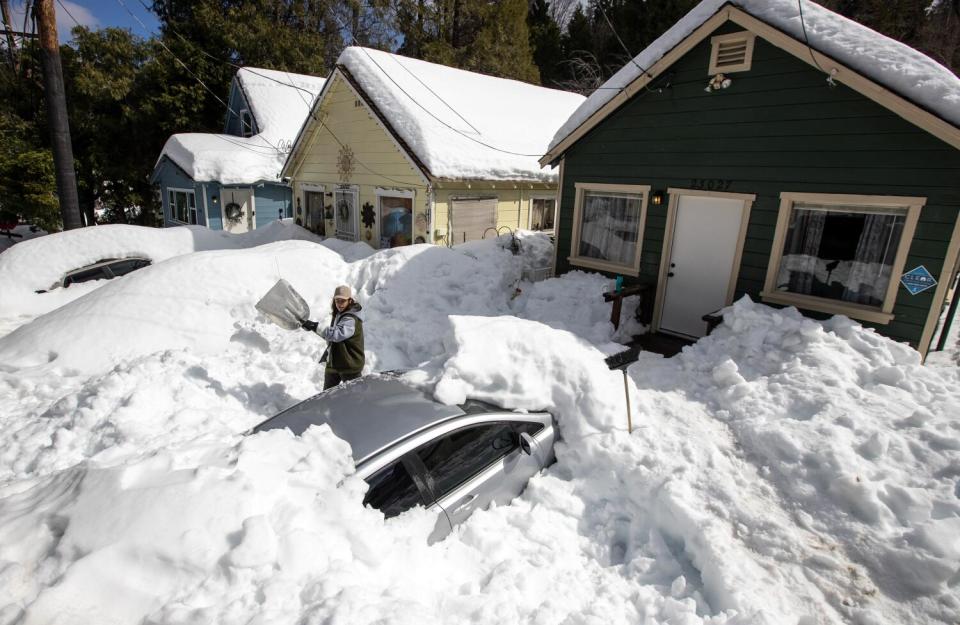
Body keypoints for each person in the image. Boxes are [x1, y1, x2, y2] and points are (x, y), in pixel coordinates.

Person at [300, 285, 365, 390]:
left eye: (342, 301)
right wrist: (313, 328)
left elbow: (337, 335)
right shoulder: (339, 314)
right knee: (327, 395)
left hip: (349, 365)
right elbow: (331, 336)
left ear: (350, 300)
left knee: (356, 397)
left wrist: (315, 326)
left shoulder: (350, 318)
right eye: (337, 301)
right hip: (334, 363)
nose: (339, 304)